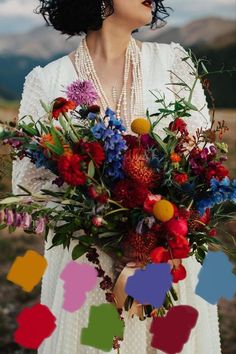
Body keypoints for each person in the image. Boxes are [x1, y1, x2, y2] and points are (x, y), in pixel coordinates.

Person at [12, 1, 222, 353]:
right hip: (86, 268)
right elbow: (29, 185)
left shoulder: (174, 64)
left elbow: (202, 161)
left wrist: (155, 232)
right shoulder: (47, 81)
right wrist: (103, 220)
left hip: (166, 261)